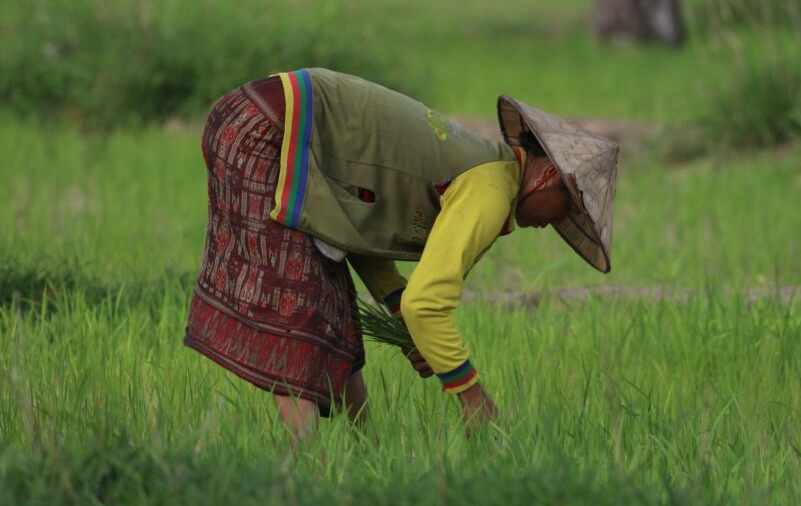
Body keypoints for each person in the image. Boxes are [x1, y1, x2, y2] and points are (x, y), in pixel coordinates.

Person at [183, 68, 618, 441]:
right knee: (297, 307)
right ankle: (308, 470)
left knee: (334, 308)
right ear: (547, 178)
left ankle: (363, 453)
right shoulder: (490, 191)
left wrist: (403, 323)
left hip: (256, 115)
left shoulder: (488, 172)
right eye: (568, 209)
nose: (555, 223)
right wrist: (473, 400)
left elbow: (359, 230)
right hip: (270, 129)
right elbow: (426, 304)